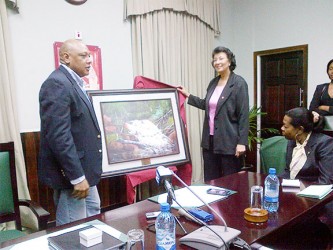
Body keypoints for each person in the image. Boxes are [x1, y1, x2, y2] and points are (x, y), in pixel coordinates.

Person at [38, 39, 103, 226]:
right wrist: (77, 177)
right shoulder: (57, 83)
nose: (89, 60)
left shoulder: (74, 82)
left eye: (89, 55)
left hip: (85, 171)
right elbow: (59, 136)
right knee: (73, 229)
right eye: (83, 55)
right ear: (66, 57)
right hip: (72, 176)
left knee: (92, 219)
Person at [177, 46, 249, 181]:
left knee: (230, 180)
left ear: (229, 61)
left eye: (221, 58)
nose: (217, 62)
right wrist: (188, 95)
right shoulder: (213, 82)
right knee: (211, 179)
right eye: (215, 59)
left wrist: (242, 142)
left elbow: (243, 115)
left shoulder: (239, 83)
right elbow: (207, 105)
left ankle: (230, 203)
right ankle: (213, 203)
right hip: (210, 141)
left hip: (229, 142)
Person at [280, 107, 333, 184]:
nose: (282, 128)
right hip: (293, 190)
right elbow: (288, 172)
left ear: (300, 130)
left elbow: (326, 181)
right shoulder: (292, 141)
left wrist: (303, 191)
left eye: (286, 126)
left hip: (313, 192)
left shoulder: (325, 144)